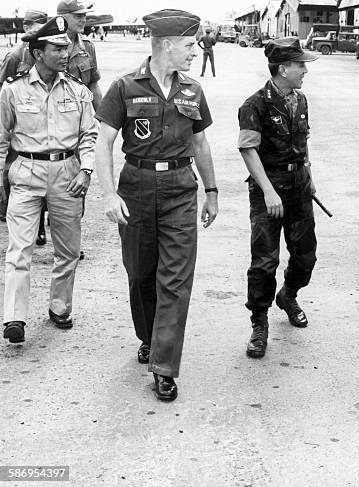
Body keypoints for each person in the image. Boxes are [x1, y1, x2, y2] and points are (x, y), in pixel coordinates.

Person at [95, 9, 218, 402]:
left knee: (176, 280)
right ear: (166, 45)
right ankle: (148, 336)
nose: (194, 52)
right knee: (140, 273)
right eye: (188, 45)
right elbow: (103, 143)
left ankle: (164, 366)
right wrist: (108, 193)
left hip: (181, 188)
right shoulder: (125, 87)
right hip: (136, 186)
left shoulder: (193, 90)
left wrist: (211, 190)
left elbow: (200, 143)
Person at [0, 16, 97, 344]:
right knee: (19, 249)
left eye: (65, 45)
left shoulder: (78, 90)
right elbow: (1, 139)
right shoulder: (12, 90)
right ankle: (14, 317)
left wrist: (86, 171)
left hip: (67, 174)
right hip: (26, 173)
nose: (65, 50)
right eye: (56, 47)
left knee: (68, 250)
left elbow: (89, 135)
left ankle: (59, 307)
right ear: (38, 53)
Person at [237, 37, 317, 358]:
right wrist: (268, 190)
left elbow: (304, 142)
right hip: (267, 188)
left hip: (298, 185)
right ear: (283, 68)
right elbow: (247, 149)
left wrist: (309, 177)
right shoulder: (255, 104)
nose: (304, 71)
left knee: (305, 255)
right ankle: (259, 323)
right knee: (264, 261)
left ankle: (289, 295)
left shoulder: (301, 100)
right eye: (300, 66)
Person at [0, 10, 48, 232]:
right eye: (36, 26)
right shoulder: (15, 57)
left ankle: (38, 225)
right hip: (16, 126)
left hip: (40, 126)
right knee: (13, 174)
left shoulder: (48, 54)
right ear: (27, 27)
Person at [57, 0, 102, 110]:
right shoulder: (45, 46)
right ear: (62, 18)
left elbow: (93, 85)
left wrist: (101, 118)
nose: (83, 20)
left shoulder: (88, 46)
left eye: (84, 15)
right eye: (78, 16)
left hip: (80, 115)